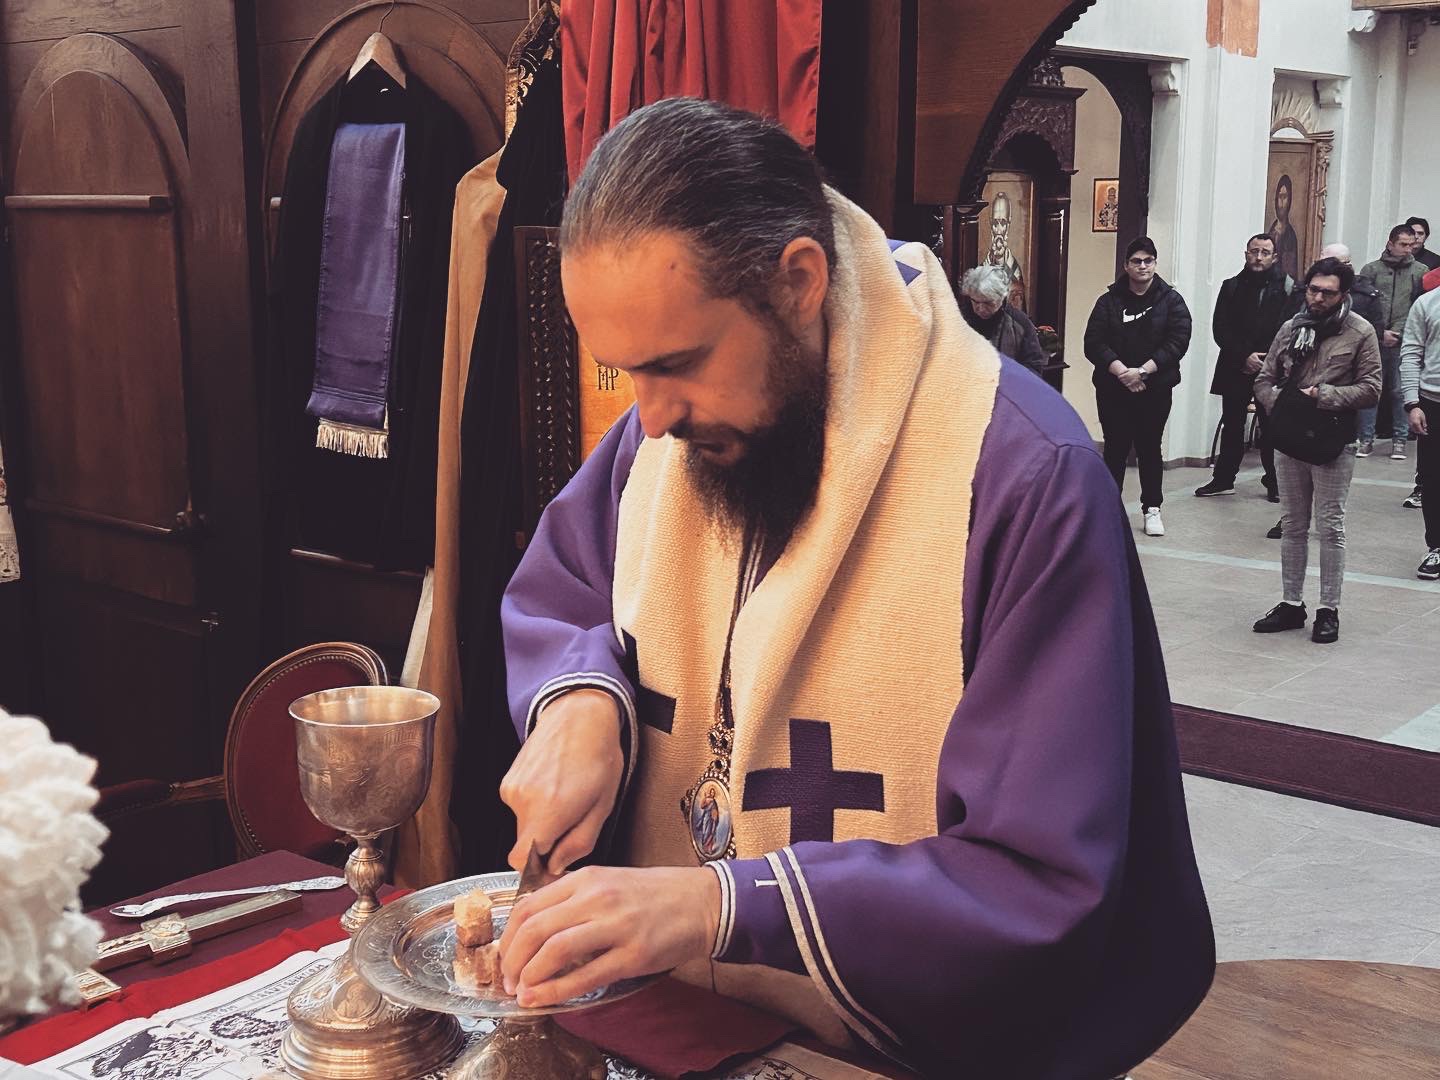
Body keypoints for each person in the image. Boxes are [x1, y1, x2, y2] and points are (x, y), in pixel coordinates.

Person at [495, 99, 1213, 1079]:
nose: (649, 422)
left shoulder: (1021, 475)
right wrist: (580, 705)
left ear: (798, 282)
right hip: (681, 1016)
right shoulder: (669, 433)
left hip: (901, 1051)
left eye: (677, 364)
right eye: (627, 374)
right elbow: (570, 579)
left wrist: (720, 903)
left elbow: (1037, 875)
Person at [1252, 257, 1381, 644]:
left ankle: (1328, 608)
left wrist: (1322, 396)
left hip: (1332, 438)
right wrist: (1279, 403)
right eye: (1313, 290)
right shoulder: (1292, 327)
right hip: (1290, 435)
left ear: (1343, 294)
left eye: (1328, 292)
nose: (1318, 298)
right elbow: (1264, 378)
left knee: (1330, 526)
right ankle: (1291, 603)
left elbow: (1372, 388)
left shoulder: (1360, 331)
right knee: (1293, 524)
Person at [1083, 236, 1193, 537]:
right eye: (1136, 261)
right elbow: (1093, 342)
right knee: (1115, 449)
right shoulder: (1108, 301)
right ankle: (1109, 509)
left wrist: (1143, 372)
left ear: (1155, 264)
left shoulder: (1171, 301)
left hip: (1154, 389)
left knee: (1149, 448)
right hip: (1113, 388)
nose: (1142, 266)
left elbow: (1178, 341)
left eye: (1148, 261)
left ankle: (1152, 508)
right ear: (1126, 265)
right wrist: (1122, 372)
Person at [1196, 234, 1292, 501]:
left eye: (1265, 252)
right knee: (1232, 425)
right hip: (1235, 365)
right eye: (1254, 251)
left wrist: (1265, 359)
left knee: (1271, 427)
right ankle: (1223, 479)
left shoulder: (1288, 287)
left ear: (1274, 257)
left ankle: (1275, 483)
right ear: (1246, 254)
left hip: (1271, 368)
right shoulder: (1231, 286)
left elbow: (1289, 329)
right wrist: (1244, 356)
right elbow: (1220, 328)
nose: (1258, 257)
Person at [1357, 224, 1427, 459]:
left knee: (1400, 391)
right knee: (1371, 389)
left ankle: (1400, 440)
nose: (1408, 249)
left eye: (1411, 245)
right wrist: (1380, 332)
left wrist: (1399, 332)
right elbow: (1363, 306)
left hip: (1403, 340)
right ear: (1390, 244)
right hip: (1374, 340)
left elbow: (1418, 307)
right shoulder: (1371, 270)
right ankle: (1365, 439)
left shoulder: (1420, 271)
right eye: (1403, 244)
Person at [1400, 282, 1440, 578]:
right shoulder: (1427, 303)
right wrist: (1412, 403)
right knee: (1433, 478)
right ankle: (1436, 546)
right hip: (1432, 401)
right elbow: (1411, 353)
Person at [958, 263, 1047, 375]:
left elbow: (1034, 367)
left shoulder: (1020, 323)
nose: (981, 309)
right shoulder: (957, 319)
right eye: (975, 302)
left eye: (988, 303)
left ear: (1002, 297)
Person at [1268, 174, 1300, 281]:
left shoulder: (1290, 235)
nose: (1281, 201)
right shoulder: (1271, 231)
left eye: (1284, 197)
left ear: (1289, 200)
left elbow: (1290, 272)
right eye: (1279, 196)